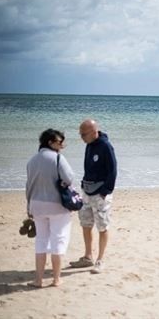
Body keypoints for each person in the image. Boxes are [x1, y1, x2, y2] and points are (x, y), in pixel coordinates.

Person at [26, 129, 74, 287]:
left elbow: (29, 186)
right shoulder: (58, 158)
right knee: (58, 240)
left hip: (36, 205)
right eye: (60, 142)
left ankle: (38, 280)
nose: (62, 145)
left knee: (40, 241)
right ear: (50, 142)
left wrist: (29, 207)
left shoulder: (32, 160)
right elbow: (69, 178)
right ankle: (56, 278)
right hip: (56, 205)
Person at [69, 119, 117, 274]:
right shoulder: (89, 145)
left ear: (94, 131)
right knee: (85, 224)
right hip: (87, 191)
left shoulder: (106, 146)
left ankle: (100, 260)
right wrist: (84, 185)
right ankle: (88, 256)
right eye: (80, 134)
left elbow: (113, 170)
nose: (81, 137)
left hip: (101, 194)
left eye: (83, 134)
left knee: (102, 226)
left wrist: (105, 192)